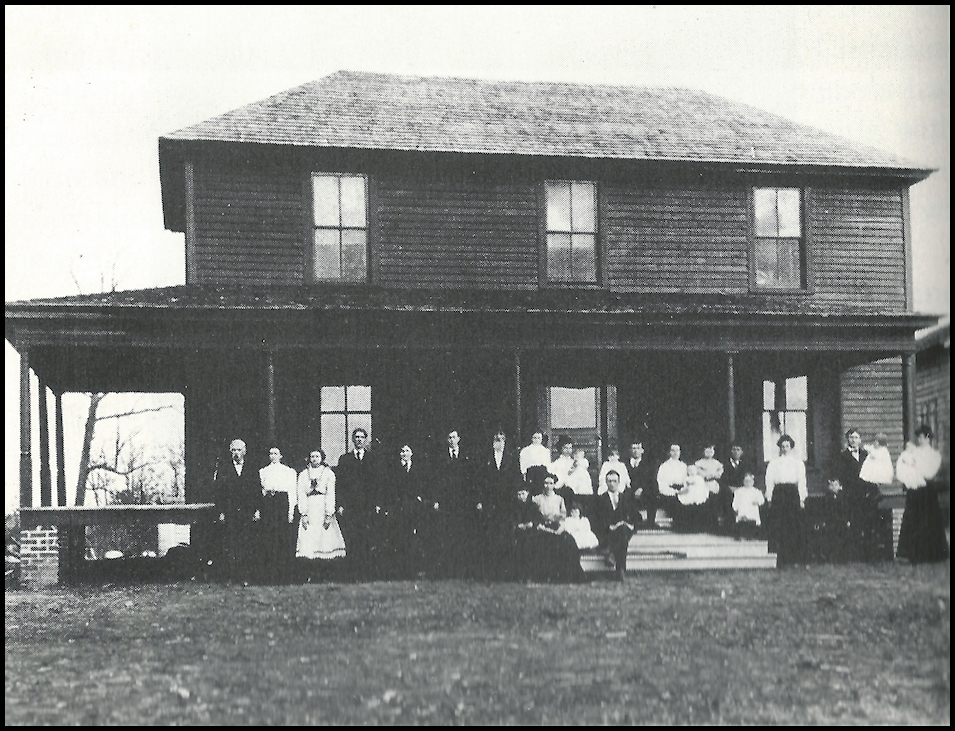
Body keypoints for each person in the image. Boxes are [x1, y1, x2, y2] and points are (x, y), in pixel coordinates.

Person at [895, 425, 948, 564]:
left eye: (922, 437)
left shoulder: (934, 455)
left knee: (928, 521)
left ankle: (931, 553)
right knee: (913, 521)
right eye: (918, 437)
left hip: (927, 492)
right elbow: (904, 466)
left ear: (928, 438)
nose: (919, 440)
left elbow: (928, 472)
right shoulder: (913, 451)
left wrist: (915, 461)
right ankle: (912, 553)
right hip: (914, 489)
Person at [213, 438, 262, 583]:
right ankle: (231, 577)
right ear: (230, 452)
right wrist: (221, 512)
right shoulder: (224, 468)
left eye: (239, 450)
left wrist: (257, 510)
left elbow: (257, 490)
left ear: (244, 452)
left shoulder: (252, 468)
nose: (236, 453)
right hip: (230, 512)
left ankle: (246, 577)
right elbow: (219, 492)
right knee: (230, 544)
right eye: (233, 450)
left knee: (247, 544)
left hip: (247, 512)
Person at [334, 427, 380, 580]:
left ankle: (366, 572)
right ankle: (353, 573)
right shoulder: (345, 459)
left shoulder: (373, 459)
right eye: (356, 437)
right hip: (351, 505)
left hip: (368, 505)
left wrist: (377, 503)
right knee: (352, 537)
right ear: (353, 440)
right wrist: (340, 504)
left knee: (367, 537)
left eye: (362, 437)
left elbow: (377, 483)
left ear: (365, 439)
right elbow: (340, 484)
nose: (359, 439)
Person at [479, 429, 523, 580]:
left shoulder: (511, 457)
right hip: (490, 502)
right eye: (496, 438)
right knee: (490, 534)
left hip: (506, 501)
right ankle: (491, 571)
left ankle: (507, 571)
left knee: (506, 534)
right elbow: (480, 480)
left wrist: (515, 496)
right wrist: (480, 500)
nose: (498, 441)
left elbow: (516, 477)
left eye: (501, 438)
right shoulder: (486, 457)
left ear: (505, 441)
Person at [295, 449, 346, 579]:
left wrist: (329, 514)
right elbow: (301, 494)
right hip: (310, 508)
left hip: (322, 507)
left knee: (325, 540)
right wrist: (304, 513)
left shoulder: (328, 473)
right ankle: (310, 574)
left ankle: (326, 574)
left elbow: (330, 493)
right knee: (309, 541)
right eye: (312, 456)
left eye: (317, 456)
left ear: (322, 458)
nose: (314, 459)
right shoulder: (303, 474)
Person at [387, 444, 436, 578]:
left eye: (407, 451)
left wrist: (420, 498)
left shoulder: (419, 468)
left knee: (416, 537)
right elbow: (389, 487)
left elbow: (426, 484)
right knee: (401, 536)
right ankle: (401, 569)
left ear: (412, 453)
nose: (404, 453)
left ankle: (415, 568)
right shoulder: (393, 469)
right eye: (402, 451)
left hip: (415, 507)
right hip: (399, 507)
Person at [764, 434, 807, 567]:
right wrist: (770, 497)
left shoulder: (798, 463)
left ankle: (794, 558)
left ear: (791, 447)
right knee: (779, 525)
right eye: (782, 446)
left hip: (792, 494)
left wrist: (802, 498)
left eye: (787, 446)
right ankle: (780, 559)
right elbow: (769, 481)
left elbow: (801, 481)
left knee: (793, 525)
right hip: (779, 493)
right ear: (779, 448)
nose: (785, 448)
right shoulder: (773, 463)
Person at [258, 446, 298, 584]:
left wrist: (291, 511)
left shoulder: (289, 472)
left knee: (282, 538)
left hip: (282, 503)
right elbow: (262, 491)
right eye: (270, 453)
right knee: (269, 537)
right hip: (269, 503)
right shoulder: (263, 471)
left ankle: (284, 575)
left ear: (281, 456)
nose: (273, 456)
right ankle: (269, 575)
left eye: (276, 453)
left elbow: (292, 492)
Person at [593, 470, 639, 581]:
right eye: (609, 481)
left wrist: (631, 525)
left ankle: (613, 555)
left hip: (624, 528)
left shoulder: (626, 497)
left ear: (619, 482)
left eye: (614, 481)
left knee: (623, 530)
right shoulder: (600, 499)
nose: (612, 483)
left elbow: (636, 515)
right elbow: (596, 519)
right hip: (609, 531)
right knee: (622, 536)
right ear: (606, 482)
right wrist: (609, 526)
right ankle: (621, 570)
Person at [720, 444, 753, 534]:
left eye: (738, 449)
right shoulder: (725, 465)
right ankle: (730, 527)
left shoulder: (745, 465)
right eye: (733, 449)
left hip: (742, 489)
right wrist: (730, 488)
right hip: (729, 490)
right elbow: (722, 481)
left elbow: (748, 478)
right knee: (728, 497)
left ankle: (744, 527)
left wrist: (741, 488)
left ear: (742, 452)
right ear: (730, 451)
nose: (735, 452)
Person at [623, 439, 657, 527]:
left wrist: (642, 488)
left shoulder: (648, 463)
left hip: (643, 489)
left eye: (638, 448)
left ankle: (650, 522)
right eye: (633, 448)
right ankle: (632, 519)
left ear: (642, 451)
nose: (635, 450)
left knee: (653, 494)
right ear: (630, 450)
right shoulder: (624, 463)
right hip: (629, 489)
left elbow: (651, 479)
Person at [673, 464, 712, 532]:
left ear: (696, 471)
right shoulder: (686, 478)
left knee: (699, 502)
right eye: (689, 471)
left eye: (693, 470)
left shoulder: (699, 478)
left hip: (698, 492)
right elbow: (685, 486)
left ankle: (699, 525)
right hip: (689, 493)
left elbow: (701, 485)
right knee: (685, 501)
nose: (691, 472)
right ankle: (687, 526)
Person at [656, 443, 688, 525]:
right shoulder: (664, 466)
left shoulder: (683, 466)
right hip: (668, 492)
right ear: (669, 452)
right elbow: (661, 483)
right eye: (673, 450)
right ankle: (678, 524)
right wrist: (673, 491)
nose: (675, 453)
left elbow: (686, 481)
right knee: (675, 502)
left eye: (677, 450)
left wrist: (682, 490)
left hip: (682, 490)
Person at [731, 472, 765, 541]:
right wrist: (735, 508)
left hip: (752, 509)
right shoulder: (739, 491)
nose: (748, 483)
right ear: (743, 482)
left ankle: (750, 535)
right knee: (741, 520)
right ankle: (738, 535)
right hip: (742, 509)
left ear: (753, 482)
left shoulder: (756, 491)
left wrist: (757, 502)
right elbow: (736, 501)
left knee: (751, 520)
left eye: (749, 481)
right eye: (746, 481)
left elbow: (762, 500)